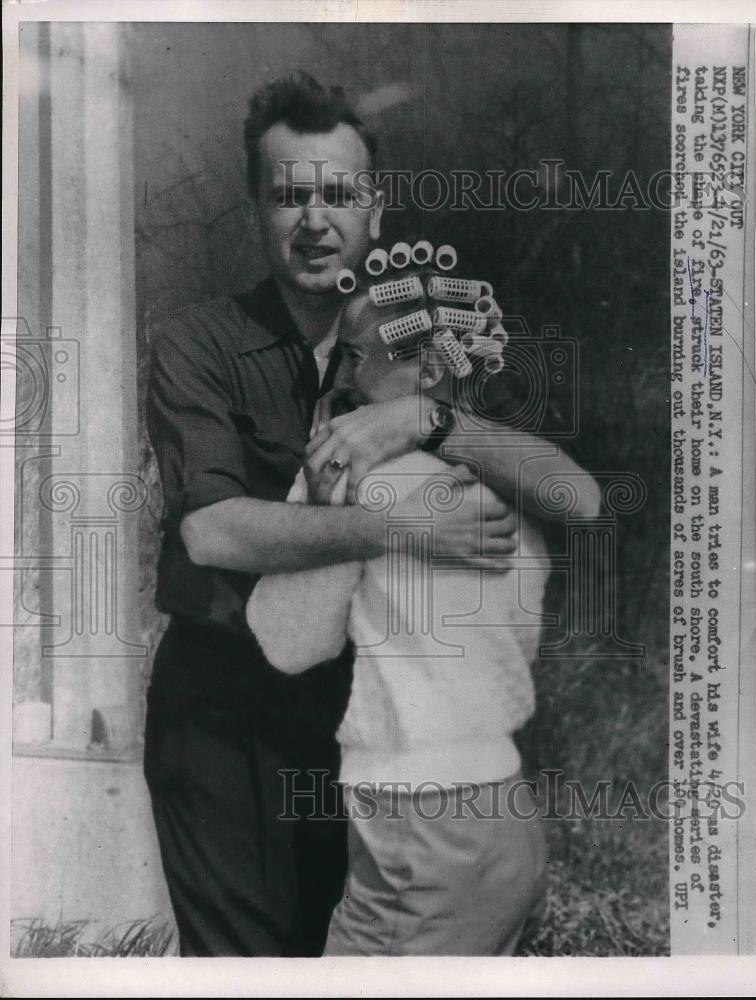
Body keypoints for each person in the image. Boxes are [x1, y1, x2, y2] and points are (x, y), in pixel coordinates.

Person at [144, 71, 600, 957]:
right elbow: (212, 530)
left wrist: (423, 417)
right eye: (288, 195)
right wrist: (400, 528)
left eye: (339, 193)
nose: (315, 219)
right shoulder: (199, 344)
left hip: (375, 740)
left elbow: (569, 494)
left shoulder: (414, 334)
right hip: (230, 720)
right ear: (257, 209)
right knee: (256, 962)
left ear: (375, 208)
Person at [247, 272, 555, 955]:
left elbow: (286, 643)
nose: (342, 372)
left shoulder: (349, 471)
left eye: (356, 353)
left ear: (423, 363)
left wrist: (324, 521)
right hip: (505, 813)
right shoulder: (509, 477)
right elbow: (522, 641)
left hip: (417, 822)